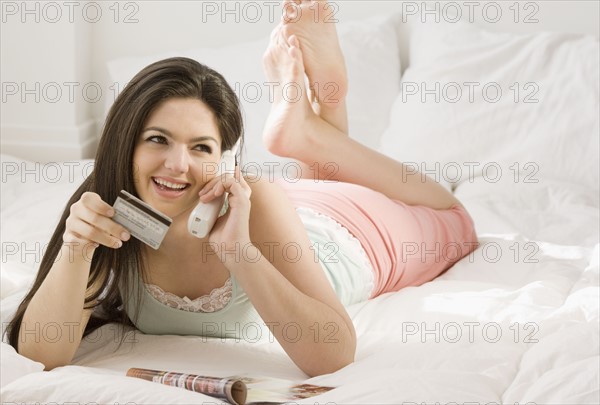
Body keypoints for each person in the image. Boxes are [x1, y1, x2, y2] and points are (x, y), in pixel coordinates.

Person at [5, 0, 478, 377]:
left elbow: (334, 355)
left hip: (351, 237)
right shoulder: (106, 214)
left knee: (457, 221)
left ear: (225, 159)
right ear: (124, 143)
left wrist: (240, 253)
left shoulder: (253, 201)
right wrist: (74, 248)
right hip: (297, 213)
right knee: (315, 184)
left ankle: (317, 116)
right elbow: (43, 355)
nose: (178, 165)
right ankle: (316, 114)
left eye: (201, 147)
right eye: (157, 139)